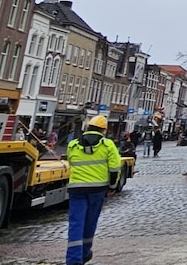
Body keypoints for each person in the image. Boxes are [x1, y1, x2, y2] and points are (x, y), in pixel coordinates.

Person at [66, 114, 121, 265]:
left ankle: (73, 260)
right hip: (97, 190)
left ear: (88, 127)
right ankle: (85, 253)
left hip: (76, 189)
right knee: (90, 222)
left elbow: (71, 163)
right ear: (103, 130)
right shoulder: (108, 145)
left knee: (76, 223)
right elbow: (115, 168)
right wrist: (112, 186)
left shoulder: (73, 145)